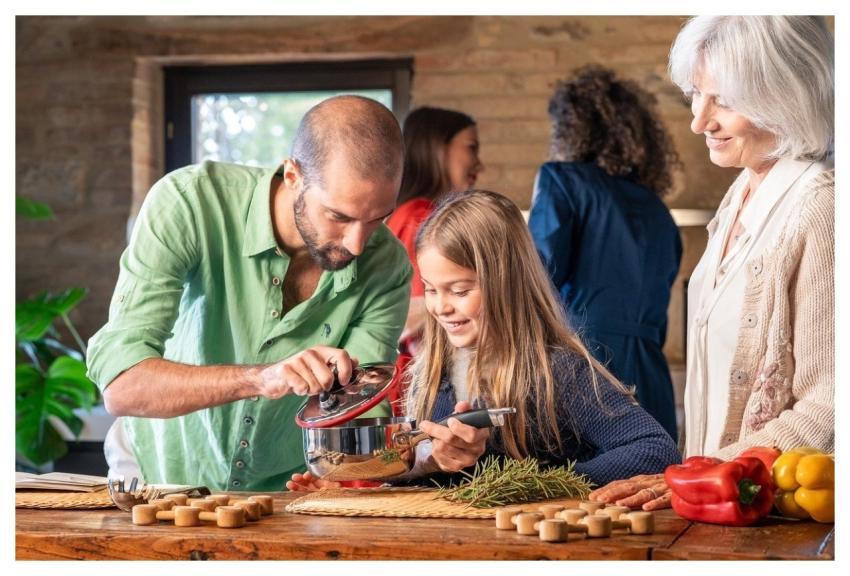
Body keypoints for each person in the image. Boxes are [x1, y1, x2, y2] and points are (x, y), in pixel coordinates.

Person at [87, 95, 413, 491]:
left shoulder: (388, 266)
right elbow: (122, 385)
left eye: (378, 218)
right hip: (156, 473)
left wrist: (360, 472)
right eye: (339, 216)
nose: (358, 244)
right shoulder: (189, 202)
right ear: (293, 176)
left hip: (283, 494)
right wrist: (261, 378)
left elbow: (359, 411)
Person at [590, 16, 834, 510]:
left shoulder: (822, 208)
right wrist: (693, 477)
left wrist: (704, 474)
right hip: (720, 506)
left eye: (724, 99)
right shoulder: (742, 192)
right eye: (698, 94)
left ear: (786, 95)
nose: (699, 121)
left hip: (775, 517)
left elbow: (832, 403)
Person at [288, 190, 680, 491]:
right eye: (431, 289)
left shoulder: (557, 369)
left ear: (506, 284)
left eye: (459, 290)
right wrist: (355, 481)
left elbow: (653, 447)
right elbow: (428, 477)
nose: (440, 307)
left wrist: (532, 486)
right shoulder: (432, 374)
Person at [528, 66, 682, 441]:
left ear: (569, 129)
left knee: (575, 492)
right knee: (650, 488)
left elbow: (535, 277)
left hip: (587, 364)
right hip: (651, 373)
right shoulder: (658, 210)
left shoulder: (562, 181)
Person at [383, 107, 483, 408]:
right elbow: (413, 317)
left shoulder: (407, 214)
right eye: (471, 147)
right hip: (421, 390)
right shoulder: (423, 220)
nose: (480, 163)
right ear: (437, 149)